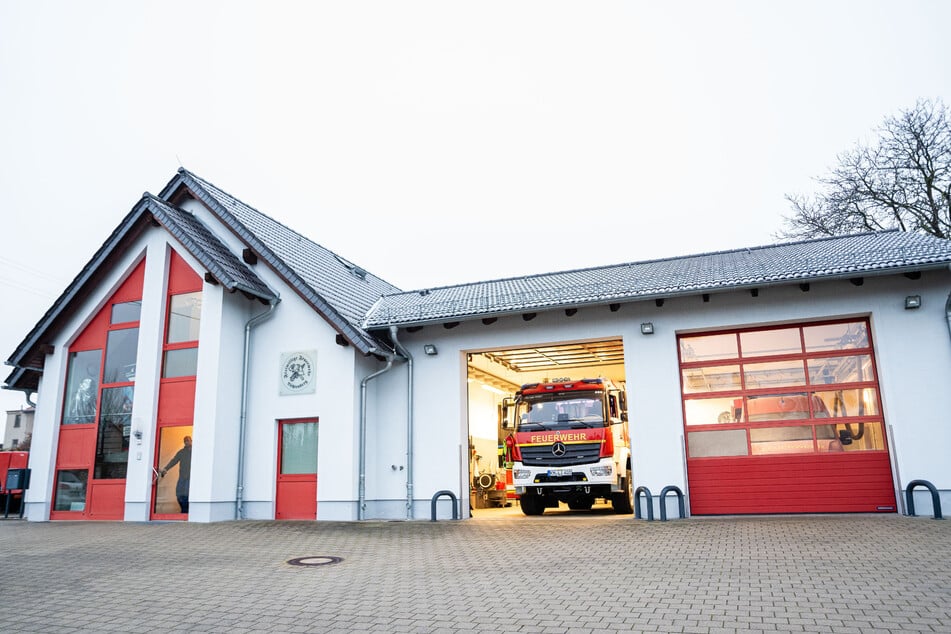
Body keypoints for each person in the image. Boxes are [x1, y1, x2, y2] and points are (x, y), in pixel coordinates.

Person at [160, 436, 192, 513]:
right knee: (179, 494)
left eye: (188, 440)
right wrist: (166, 469)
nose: (186, 442)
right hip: (182, 477)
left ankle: (185, 511)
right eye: (185, 441)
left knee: (186, 494)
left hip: (191, 477)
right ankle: (184, 510)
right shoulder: (181, 452)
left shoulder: (195, 452)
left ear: (191, 441)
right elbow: (174, 461)